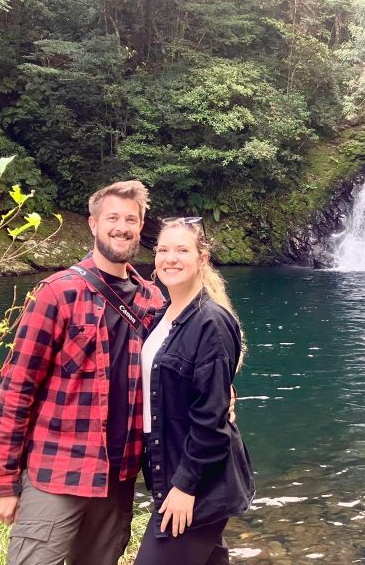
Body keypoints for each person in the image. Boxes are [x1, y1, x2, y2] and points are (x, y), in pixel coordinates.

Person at [0, 181, 166, 565]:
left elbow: (178, 371)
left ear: (141, 226)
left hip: (119, 478)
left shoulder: (153, 298)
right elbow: (17, 389)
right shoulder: (58, 292)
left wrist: (224, 397)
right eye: (113, 218)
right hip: (58, 471)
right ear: (93, 224)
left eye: (130, 219)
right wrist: (3, 482)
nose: (122, 227)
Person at [134, 217, 255, 565]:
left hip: (199, 484)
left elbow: (211, 418)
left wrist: (186, 486)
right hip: (170, 470)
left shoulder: (211, 322)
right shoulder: (162, 316)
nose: (170, 258)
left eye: (182, 250)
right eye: (163, 250)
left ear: (202, 258)